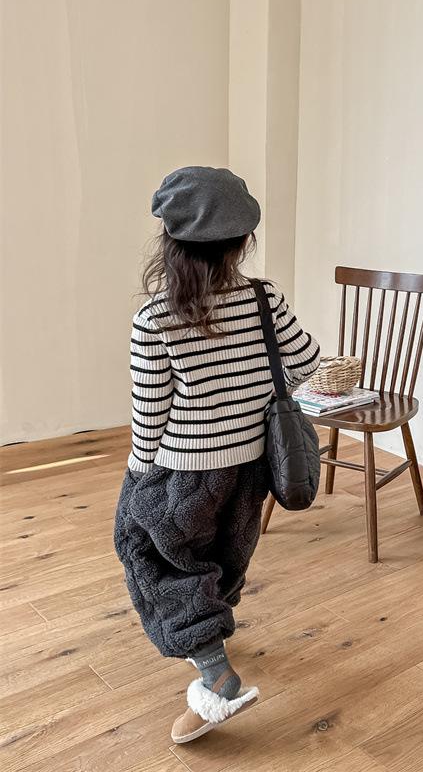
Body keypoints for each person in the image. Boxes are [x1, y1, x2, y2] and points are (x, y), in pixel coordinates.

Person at [113, 166, 320, 743]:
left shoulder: (155, 319)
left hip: (183, 470)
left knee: (152, 555)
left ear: (170, 240)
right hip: (251, 467)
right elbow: (306, 364)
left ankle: (215, 675)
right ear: (242, 240)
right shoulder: (263, 298)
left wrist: (138, 477)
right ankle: (211, 627)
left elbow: (150, 416)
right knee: (228, 551)